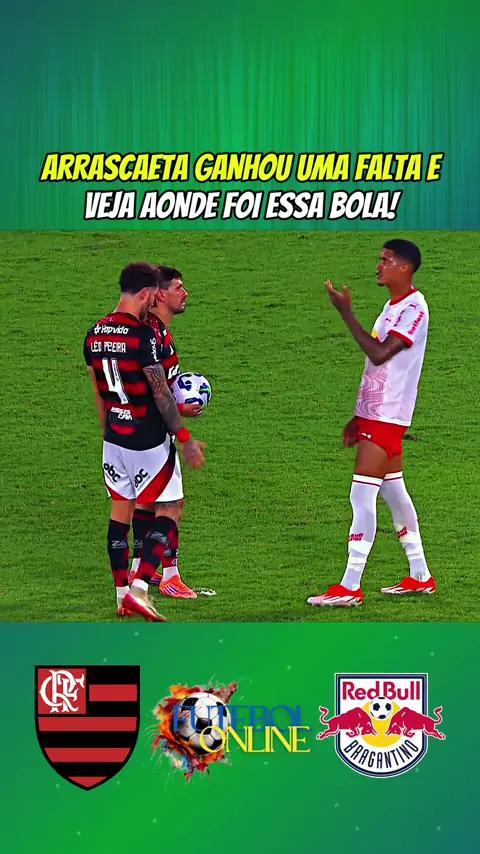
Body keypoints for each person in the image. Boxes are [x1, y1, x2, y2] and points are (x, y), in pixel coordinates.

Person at [308, 239, 434, 608]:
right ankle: (420, 574)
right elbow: (379, 369)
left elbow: (379, 354)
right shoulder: (390, 307)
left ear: (404, 268)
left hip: (388, 415)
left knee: (361, 495)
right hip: (376, 413)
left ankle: (350, 585)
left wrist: (346, 313)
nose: (378, 265)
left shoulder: (415, 307)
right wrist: (358, 415)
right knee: (394, 492)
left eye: (385, 260)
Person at [83, 261, 206, 622]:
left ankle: (122, 595)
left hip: (114, 438)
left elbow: (98, 392)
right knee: (170, 507)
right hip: (147, 439)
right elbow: (161, 394)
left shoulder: (93, 333)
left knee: (120, 512)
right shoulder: (142, 336)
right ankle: (140, 588)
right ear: (146, 293)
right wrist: (185, 438)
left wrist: (108, 431)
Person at [130, 265, 202, 599]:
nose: (184, 293)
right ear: (160, 294)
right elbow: (150, 391)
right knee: (171, 503)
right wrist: (180, 414)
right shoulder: (151, 335)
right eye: (178, 287)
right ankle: (171, 576)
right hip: (151, 432)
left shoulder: (156, 331)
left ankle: (138, 567)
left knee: (147, 502)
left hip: (138, 430)